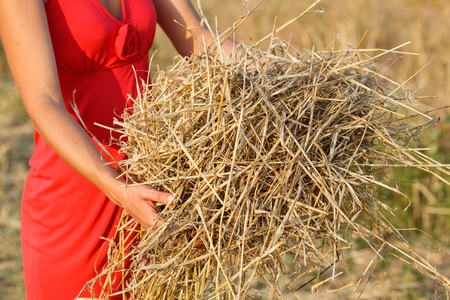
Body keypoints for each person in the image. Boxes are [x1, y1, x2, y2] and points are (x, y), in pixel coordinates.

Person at [0, 0, 237, 299]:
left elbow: (198, 38)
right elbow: (43, 102)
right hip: (76, 211)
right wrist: (117, 187)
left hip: (152, 197)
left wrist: (278, 70)